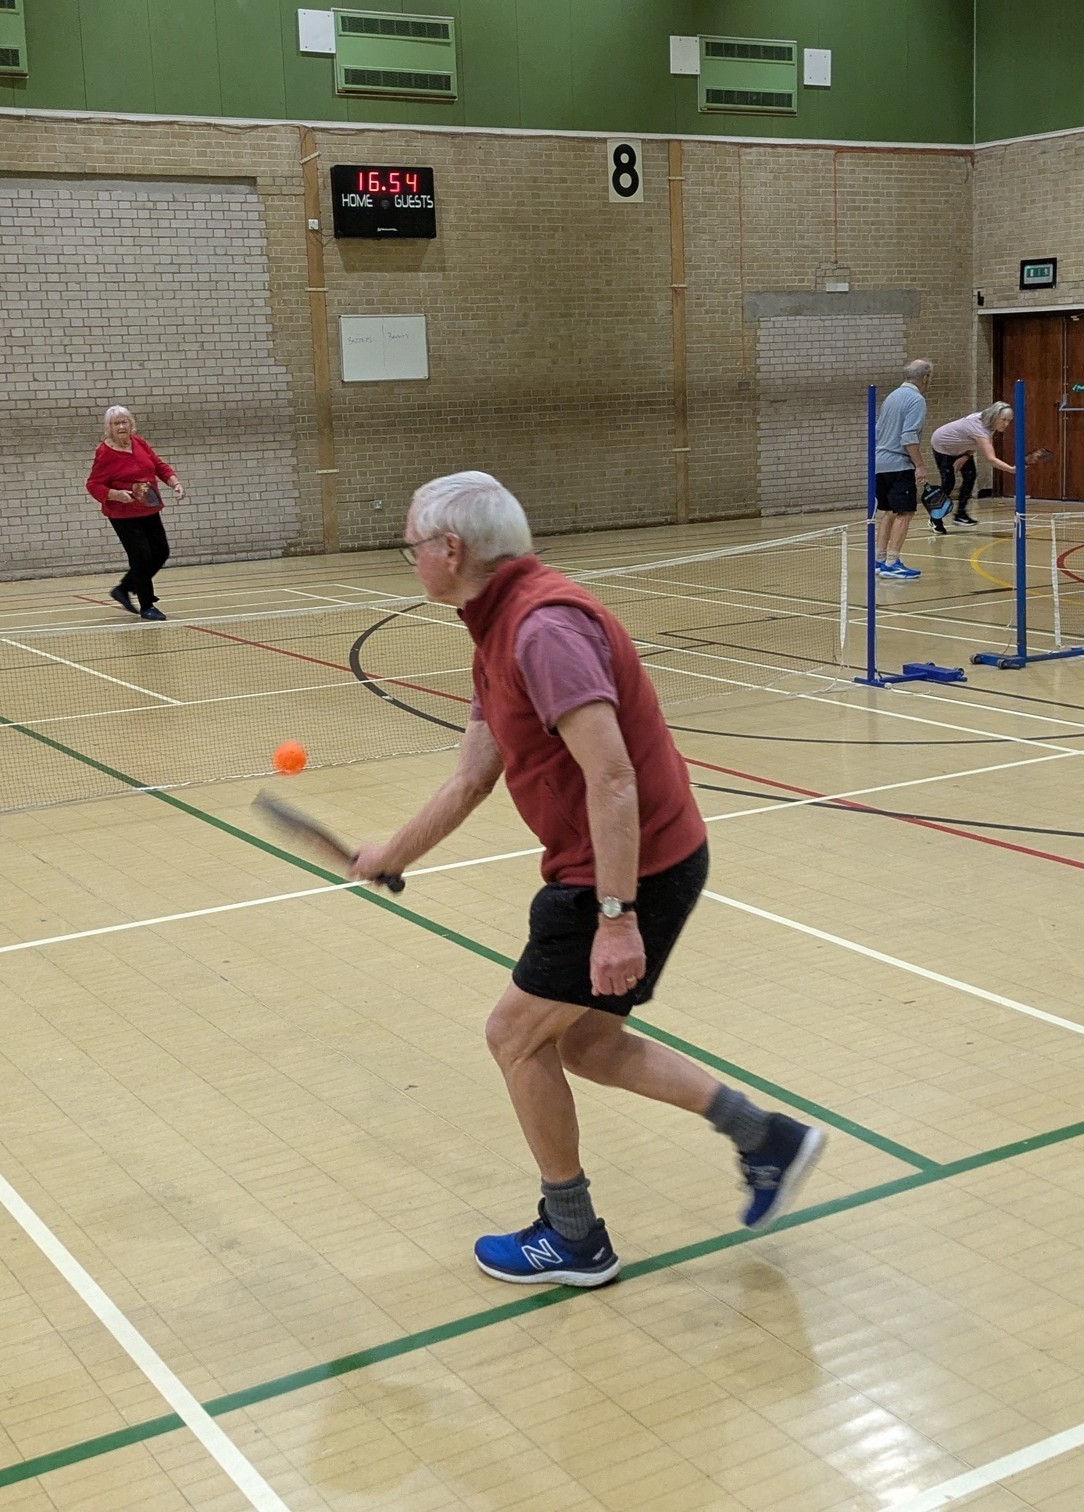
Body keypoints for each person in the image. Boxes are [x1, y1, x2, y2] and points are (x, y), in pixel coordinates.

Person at [351, 471, 824, 1287]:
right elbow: (472, 777)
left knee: (514, 1036)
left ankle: (573, 1238)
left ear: (451, 549)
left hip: (626, 868)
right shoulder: (494, 628)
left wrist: (615, 916)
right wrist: (393, 854)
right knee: (587, 1045)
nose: (411, 559)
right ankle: (765, 1138)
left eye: (413, 547)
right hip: (629, 861)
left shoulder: (543, 631)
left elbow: (612, 777)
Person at [86, 405, 183, 620]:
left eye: (124, 422)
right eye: (116, 423)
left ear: (131, 424)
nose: (121, 426)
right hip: (123, 514)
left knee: (161, 552)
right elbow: (93, 484)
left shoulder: (139, 442)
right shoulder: (105, 453)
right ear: (109, 428)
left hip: (148, 506)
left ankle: (124, 588)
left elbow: (158, 466)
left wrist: (174, 482)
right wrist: (115, 494)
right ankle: (147, 606)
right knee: (141, 557)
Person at [872, 358, 933, 579]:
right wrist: (920, 465)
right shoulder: (916, 399)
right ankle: (892, 562)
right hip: (899, 464)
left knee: (889, 511)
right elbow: (908, 437)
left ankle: (879, 560)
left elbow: (877, 431)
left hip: (880, 464)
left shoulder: (892, 397)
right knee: (905, 513)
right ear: (925, 378)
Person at [924, 402, 1018, 534]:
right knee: (949, 483)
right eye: (1003, 420)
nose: (1006, 424)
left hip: (961, 448)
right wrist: (1011, 469)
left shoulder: (987, 423)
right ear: (994, 416)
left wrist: (966, 456)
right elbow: (991, 458)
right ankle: (935, 518)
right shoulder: (979, 428)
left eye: (1009, 421)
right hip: (943, 446)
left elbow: (973, 442)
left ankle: (960, 514)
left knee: (970, 476)